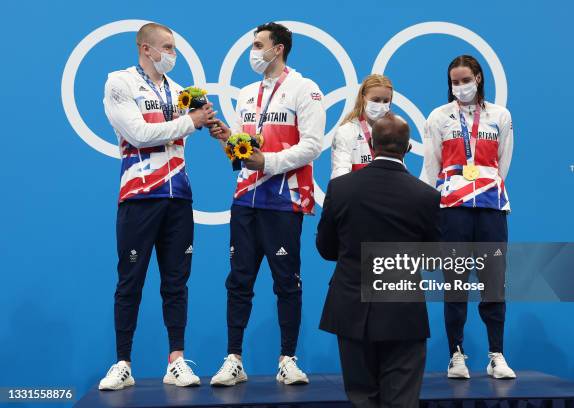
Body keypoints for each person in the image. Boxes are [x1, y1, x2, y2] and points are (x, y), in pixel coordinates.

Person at [98, 22, 215, 390]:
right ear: (145, 49)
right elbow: (138, 135)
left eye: (175, 48)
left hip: (178, 196)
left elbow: (209, 126)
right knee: (130, 282)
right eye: (166, 47)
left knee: (176, 283)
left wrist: (219, 129)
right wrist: (190, 122)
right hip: (139, 196)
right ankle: (122, 363)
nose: (172, 55)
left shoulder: (182, 93)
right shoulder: (120, 82)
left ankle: (176, 360)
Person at [208, 22, 325, 386]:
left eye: (258, 45)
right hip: (245, 198)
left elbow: (313, 145)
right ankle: (234, 359)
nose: (253, 52)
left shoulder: (305, 89)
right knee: (238, 280)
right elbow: (244, 148)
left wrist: (269, 162)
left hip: (284, 199)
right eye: (252, 45)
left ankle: (287, 359)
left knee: (286, 282)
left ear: (279, 49)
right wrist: (228, 138)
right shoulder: (246, 94)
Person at [317, 113, 440, 408]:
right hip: (403, 313)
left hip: (351, 307)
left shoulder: (341, 189)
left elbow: (325, 248)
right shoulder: (426, 196)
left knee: (361, 399)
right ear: (408, 147)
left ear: (371, 145)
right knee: (402, 401)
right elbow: (434, 258)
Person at [421, 54, 516, 379]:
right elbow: (431, 167)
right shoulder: (439, 117)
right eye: (454, 82)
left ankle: (496, 354)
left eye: (465, 80)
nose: (460, 87)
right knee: (455, 283)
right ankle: (456, 354)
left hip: (491, 207)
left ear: (478, 78)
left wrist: (483, 186)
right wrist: (429, 209)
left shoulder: (500, 116)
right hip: (453, 210)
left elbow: (503, 165)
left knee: (493, 284)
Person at [330, 74, 393, 178]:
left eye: (386, 101)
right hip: (356, 193)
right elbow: (340, 176)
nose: (381, 105)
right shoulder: (346, 132)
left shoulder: (393, 132)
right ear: (363, 98)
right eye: (376, 100)